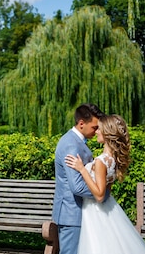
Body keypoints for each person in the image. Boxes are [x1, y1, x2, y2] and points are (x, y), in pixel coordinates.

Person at [65, 114, 145, 254]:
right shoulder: (112, 159)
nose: (96, 132)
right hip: (109, 207)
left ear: (107, 133)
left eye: (99, 129)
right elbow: (107, 190)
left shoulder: (101, 161)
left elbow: (100, 195)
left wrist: (82, 169)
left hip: (95, 211)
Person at [52, 103, 105, 254]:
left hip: (75, 212)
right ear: (81, 123)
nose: (96, 132)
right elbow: (77, 186)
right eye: (94, 127)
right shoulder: (71, 145)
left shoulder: (76, 141)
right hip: (71, 214)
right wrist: (102, 194)